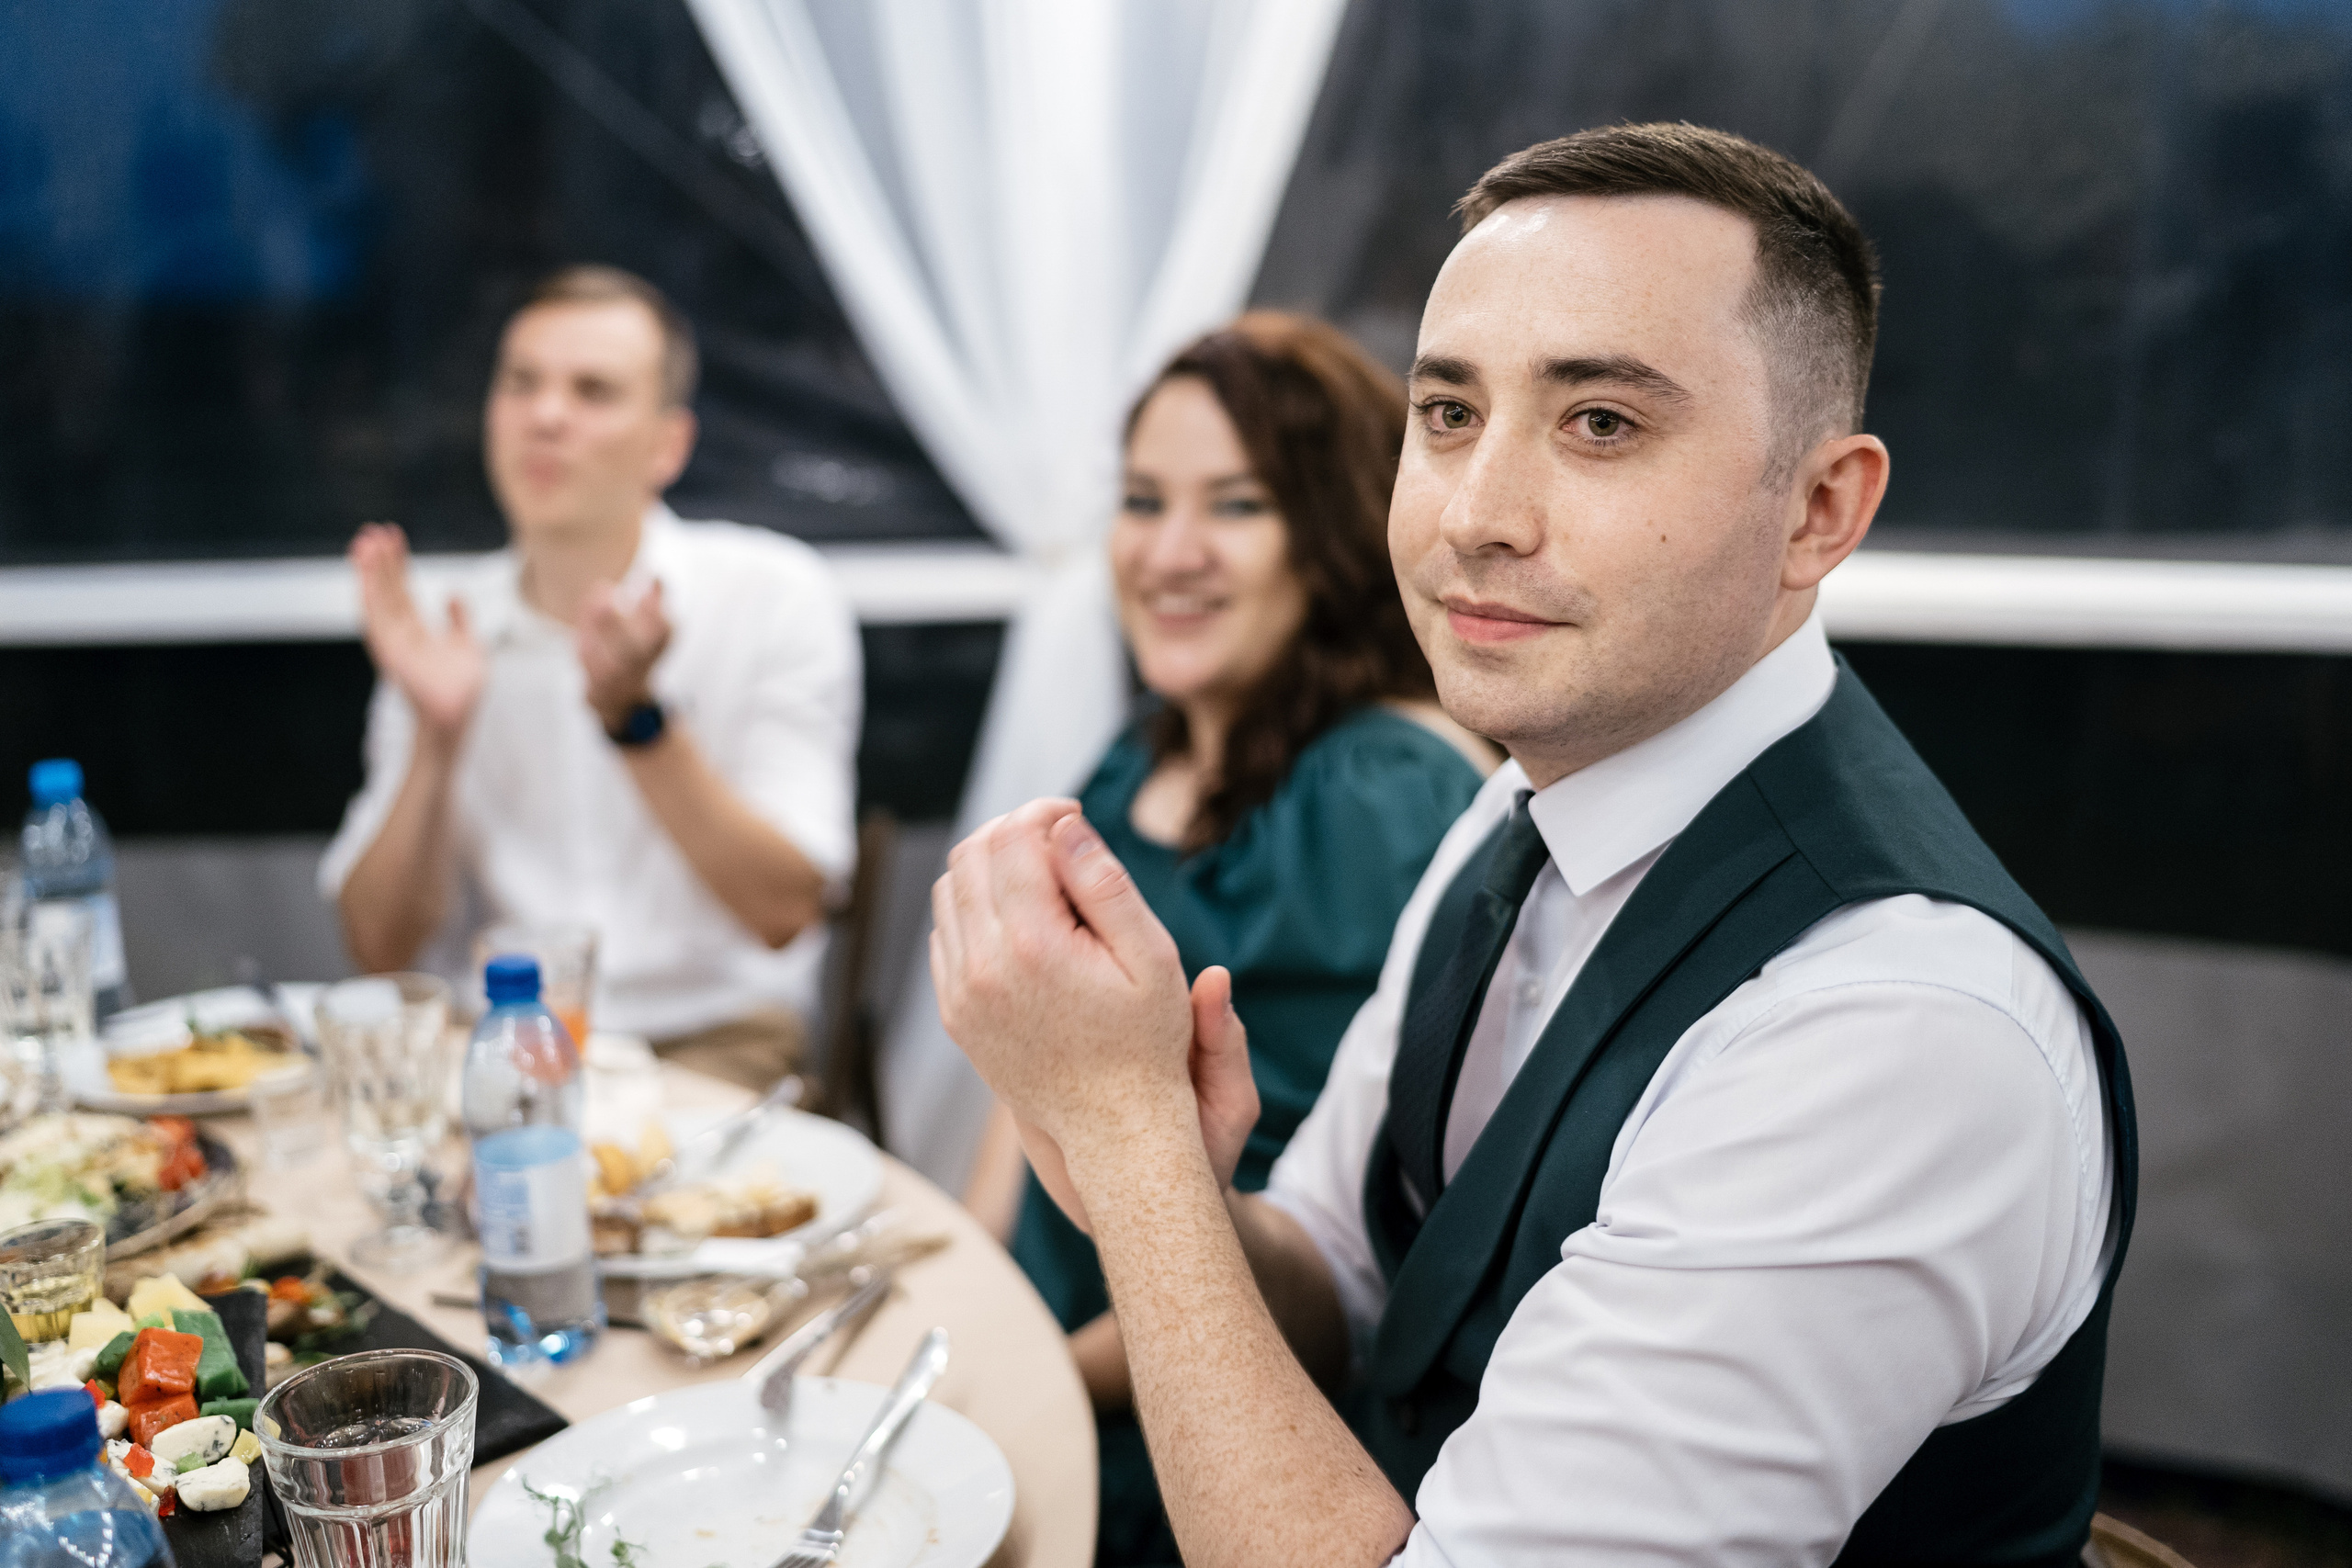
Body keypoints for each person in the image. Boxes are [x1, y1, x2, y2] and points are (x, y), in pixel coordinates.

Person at [930, 123, 2135, 1568]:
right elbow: (1346, 1271)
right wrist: (1160, 1174)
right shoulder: (1522, 808)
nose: (1473, 517)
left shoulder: (1892, 1029)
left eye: (1601, 423)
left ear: (1821, 509)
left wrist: (1129, 1150)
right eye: (1445, 415)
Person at [960, 311, 1493, 1564]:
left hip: (1194, 1414)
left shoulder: (1383, 793)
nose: (1172, 550)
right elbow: (1033, 1071)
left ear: (1331, 532)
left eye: (1238, 506)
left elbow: (1347, 1238)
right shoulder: (1139, 749)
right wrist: (965, 1286)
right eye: (1144, 499)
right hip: (1029, 1346)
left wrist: (1007, 1385)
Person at [320, 265, 859, 1089]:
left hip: (714, 1043)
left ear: (667, 444)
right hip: (499, 1046)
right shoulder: (443, 624)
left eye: (593, 391)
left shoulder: (773, 595)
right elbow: (377, 946)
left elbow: (784, 910)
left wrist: (635, 717)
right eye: (521, 384)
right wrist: (438, 738)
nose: (545, 416)